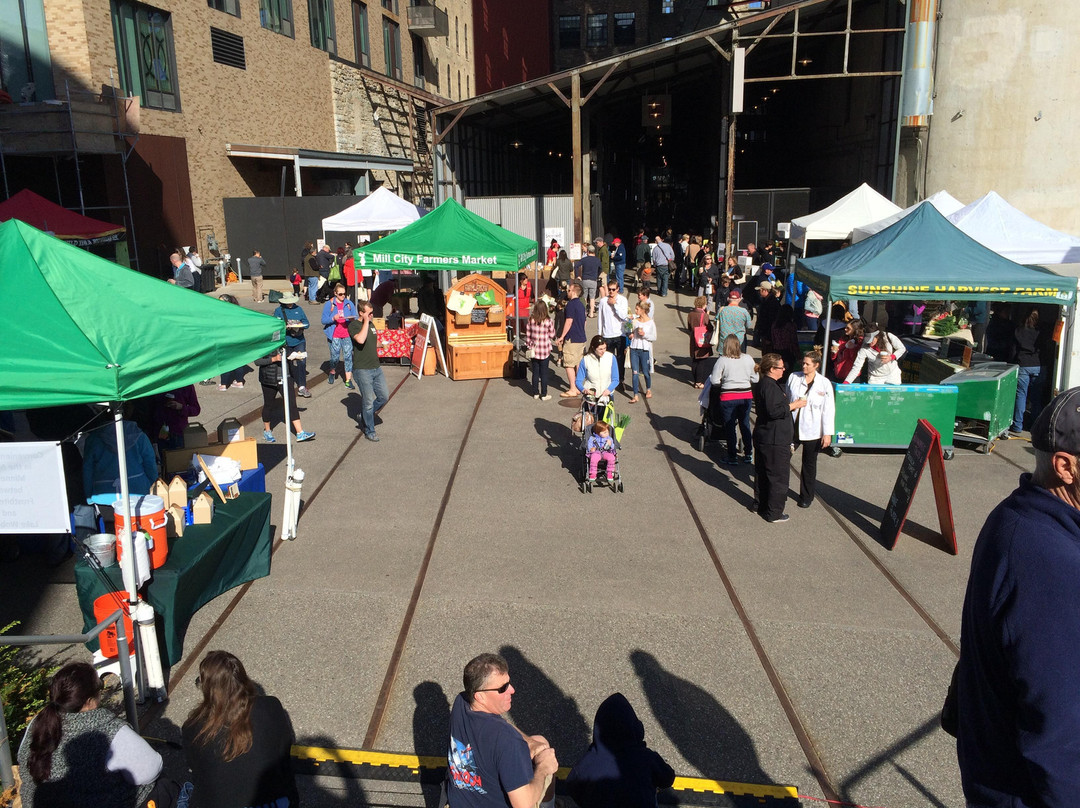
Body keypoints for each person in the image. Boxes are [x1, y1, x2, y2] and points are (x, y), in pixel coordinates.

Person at [956, 388, 1080, 807]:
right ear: (1066, 466)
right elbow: (1060, 730)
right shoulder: (1051, 561)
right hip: (1024, 792)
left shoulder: (1018, 514)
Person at [18, 661, 163, 808]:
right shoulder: (108, 728)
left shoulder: (39, 722)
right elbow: (151, 770)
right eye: (100, 687)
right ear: (89, 701)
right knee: (164, 787)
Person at [182, 651, 299, 808]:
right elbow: (284, 752)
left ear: (208, 689)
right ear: (243, 679)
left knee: (185, 790)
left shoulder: (193, 727)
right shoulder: (271, 706)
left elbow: (199, 774)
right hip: (275, 802)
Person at [447, 653, 558, 808]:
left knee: (539, 741)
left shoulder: (462, 702)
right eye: (503, 688)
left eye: (509, 683)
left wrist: (530, 742)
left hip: (460, 802)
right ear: (481, 697)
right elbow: (523, 805)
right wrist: (543, 769)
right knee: (546, 756)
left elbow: (500, 724)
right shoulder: (508, 741)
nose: (512, 690)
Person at [564, 692, 675, 808]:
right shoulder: (647, 758)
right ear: (635, 728)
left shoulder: (588, 762)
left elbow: (572, 786)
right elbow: (667, 779)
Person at [753, 353, 805, 524]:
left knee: (763, 473)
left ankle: (761, 505)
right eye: (781, 367)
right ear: (772, 369)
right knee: (778, 477)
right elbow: (774, 411)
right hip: (774, 439)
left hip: (766, 435)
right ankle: (774, 512)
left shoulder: (765, 384)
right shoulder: (769, 387)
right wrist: (794, 405)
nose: (784, 370)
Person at [786, 350, 835, 509]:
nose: (804, 365)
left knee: (809, 464)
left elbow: (828, 409)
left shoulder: (824, 383)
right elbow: (787, 396)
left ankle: (806, 496)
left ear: (816, 365)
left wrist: (827, 433)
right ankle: (779, 490)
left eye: (807, 364)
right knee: (783, 459)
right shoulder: (794, 377)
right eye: (803, 362)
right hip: (793, 427)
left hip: (813, 429)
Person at [710, 335, 758, 465]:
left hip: (728, 397)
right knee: (745, 424)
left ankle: (732, 456)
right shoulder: (748, 359)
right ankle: (748, 453)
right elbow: (755, 379)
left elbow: (714, 380)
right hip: (746, 396)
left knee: (730, 426)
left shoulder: (722, 360)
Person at [82, 417, 158, 500]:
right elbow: (150, 462)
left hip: (103, 494)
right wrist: (150, 483)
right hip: (137, 490)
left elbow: (88, 469)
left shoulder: (92, 439)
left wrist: (89, 496)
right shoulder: (140, 436)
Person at [348, 300, 390, 442]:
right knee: (368, 402)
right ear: (361, 313)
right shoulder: (354, 325)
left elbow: (370, 341)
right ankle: (369, 430)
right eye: (369, 313)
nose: (372, 316)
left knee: (384, 396)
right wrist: (366, 321)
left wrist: (381, 345)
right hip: (362, 369)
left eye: (372, 313)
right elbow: (360, 339)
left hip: (376, 367)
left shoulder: (371, 324)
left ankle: (366, 415)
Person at [255, 349, 315, 443]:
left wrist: (294, 356)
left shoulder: (283, 341)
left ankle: (300, 432)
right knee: (268, 405)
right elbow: (257, 361)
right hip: (269, 379)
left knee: (292, 404)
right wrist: (274, 359)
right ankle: (267, 431)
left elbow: (287, 354)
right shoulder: (263, 342)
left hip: (286, 377)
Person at [1009, 308, 1046, 436]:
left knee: (1021, 395)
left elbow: (1013, 350)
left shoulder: (1018, 330)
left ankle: (1018, 425)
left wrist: (1012, 362)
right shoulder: (1040, 332)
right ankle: (1035, 425)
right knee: (1036, 398)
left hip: (1023, 364)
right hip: (1038, 365)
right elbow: (1045, 348)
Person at [321, 283, 358, 389]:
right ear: (335, 294)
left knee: (348, 357)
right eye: (340, 294)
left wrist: (352, 319)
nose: (343, 296)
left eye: (344, 294)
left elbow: (355, 316)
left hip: (346, 334)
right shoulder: (329, 304)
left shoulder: (349, 303)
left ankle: (348, 380)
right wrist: (333, 318)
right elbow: (323, 320)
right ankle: (332, 371)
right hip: (335, 334)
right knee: (335, 357)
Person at [274, 293, 311, 397]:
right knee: (287, 363)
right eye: (288, 302)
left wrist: (300, 325)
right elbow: (275, 326)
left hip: (299, 340)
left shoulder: (299, 309)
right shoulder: (279, 311)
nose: (290, 304)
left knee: (302, 362)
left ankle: (302, 386)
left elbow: (307, 323)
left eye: (291, 302)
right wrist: (284, 327)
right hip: (286, 341)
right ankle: (287, 386)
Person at [556, 282, 588, 398]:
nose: (567, 292)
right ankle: (579, 386)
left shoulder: (570, 305)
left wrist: (562, 336)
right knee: (578, 363)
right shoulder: (581, 304)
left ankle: (573, 389)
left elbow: (569, 321)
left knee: (569, 364)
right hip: (581, 337)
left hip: (572, 338)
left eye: (569, 290)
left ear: (573, 292)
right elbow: (585, 322)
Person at [598, 281, 629, 391]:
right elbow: (600, 318)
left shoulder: (622, 300)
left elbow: (624, 316)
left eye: (613, 289)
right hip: (607, 335)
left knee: (620, 359)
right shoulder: (602, 301)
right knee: (608, 360)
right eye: (609, 289)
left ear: (617, 289)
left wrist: (614, 304)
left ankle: (620, 380)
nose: (611, 291)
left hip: (620, 334)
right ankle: (609, 381)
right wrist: (599, 334)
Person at [150, 384, 201, 452]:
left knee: (178, 460)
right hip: (159, 432)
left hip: (178, 432)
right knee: (162, 460)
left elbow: (196, 410)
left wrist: (181, 407)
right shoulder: (157, 382)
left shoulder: (186, 384)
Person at [525, 299, 556, 401]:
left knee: (535, 372)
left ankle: (535, 393)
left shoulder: (531, 320)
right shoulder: (549, 321)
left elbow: (528, 335)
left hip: (534, 350)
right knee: (544, 373)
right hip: (545, 350)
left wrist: (529, 345)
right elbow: (552, 335)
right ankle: (544, 393)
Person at [627, 300, 656, 404]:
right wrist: (629, 331)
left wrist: (644, 334)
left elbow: (654, 337)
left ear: (643, 310)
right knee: (635, 372)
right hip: (634, 348)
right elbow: (628, 331)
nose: (636, 311)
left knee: (645, 372)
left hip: (644, 349)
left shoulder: (650, 322)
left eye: (637, 309)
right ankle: (635, 395)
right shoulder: (635, 320)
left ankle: (648, 389)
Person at [576, 335, 620, 401]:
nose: (603, 351)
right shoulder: (585, 360)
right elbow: (578, 381)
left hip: (607, 397)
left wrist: (608, 390)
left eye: (605, 348)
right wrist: (584, 390)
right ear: (593, 348)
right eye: (600, 349)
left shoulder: (611, 357)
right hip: (591, 397)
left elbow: (615, 379)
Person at [828, 319, 864, 384]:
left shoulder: (860, 342)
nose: (845, 329)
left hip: (851, 375)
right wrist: (834, 352)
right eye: (845, 327)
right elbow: (834, 358)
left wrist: (852, 348)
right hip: (838, 373)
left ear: (855, 329)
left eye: (848, 328)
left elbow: (856, 359)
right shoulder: (843, 339)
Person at [688, 295, 713, 389]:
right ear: (703, 305)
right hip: (702, 339)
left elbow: (689, 327)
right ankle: (698, 382)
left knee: (694, 360)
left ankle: (695, 379)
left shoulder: (690, 314)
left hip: (693, 339)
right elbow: (710, 327)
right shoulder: (704, 315)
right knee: (701, 361)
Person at [770, 304, 800, 378]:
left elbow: (773, 339)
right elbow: (793, 341)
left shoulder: (774, 325)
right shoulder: (791, 326)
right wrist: (798, 355)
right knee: (787, 374)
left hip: (776, 351)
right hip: (788, 352)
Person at [575, 244, 602, 317]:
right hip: (593, 280)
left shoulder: (584, 259)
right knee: (592, 297)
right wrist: (597, 275)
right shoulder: (597, 260)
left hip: (585, 279)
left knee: (584, 296)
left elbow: (576, 266)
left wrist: (578, 275)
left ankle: (583, 312)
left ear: (588, 251)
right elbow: (600, 269)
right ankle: (591, 313)